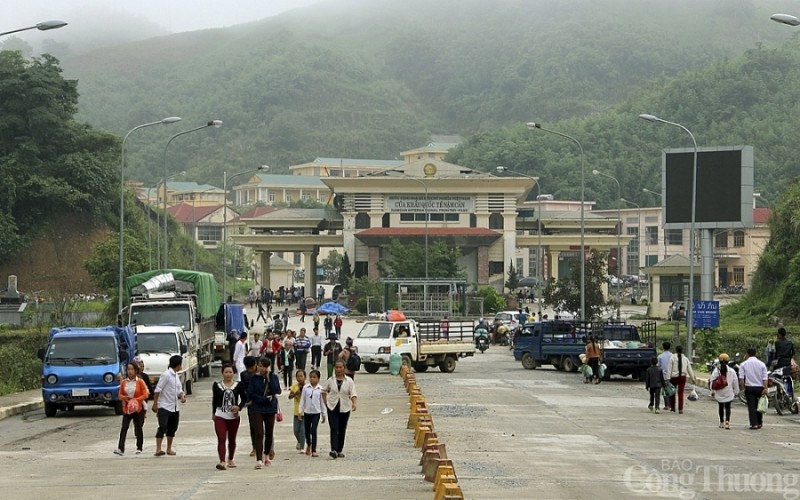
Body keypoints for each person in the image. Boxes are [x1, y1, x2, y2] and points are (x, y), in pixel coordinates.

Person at [246, 357, 282, 469]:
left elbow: (277, 390)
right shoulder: (254, 378)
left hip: (270, 408)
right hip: (257, 407)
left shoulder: (273, 377)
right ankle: (259, 459)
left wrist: (269, 377)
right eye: (260, 366)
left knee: (269, 433)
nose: (262, 368)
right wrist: (262, 399)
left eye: (264, 366)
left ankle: (266, 455)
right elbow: (250, 393)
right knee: (259, 433)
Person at [212, 363, 246, 470]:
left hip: (233, 416)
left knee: (232, 438)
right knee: (221, 438)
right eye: (226, 372)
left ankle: (230, 459)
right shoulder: (217, 385)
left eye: (230, 372)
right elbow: (214, 400)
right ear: (222, 373)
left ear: (233, 373)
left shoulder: (239, 385)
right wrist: (213, 413)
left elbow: (244, 398)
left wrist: (239, 407)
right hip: (220, 415)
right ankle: (222, 461)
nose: (228, 374)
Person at [322, 360, 358, 459]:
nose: (338, 369)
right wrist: (325, 402)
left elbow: (353, 393)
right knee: (334, 428)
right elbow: (323, 391)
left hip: (345, 407)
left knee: (342, 429)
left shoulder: (349, 381)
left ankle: (339, 450)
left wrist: (354, 403)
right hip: (332, 407)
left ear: (344, 368)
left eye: (340, 367)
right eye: (336, 367)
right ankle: (333, 449)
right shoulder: (330, 380)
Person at [152, 355, 186, 457]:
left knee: (172, 428)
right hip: (164, 406)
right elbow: (158, 390)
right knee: (162, 427)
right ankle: (158, 449)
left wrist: (182, 396)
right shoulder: (166, 375)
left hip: (174, 407)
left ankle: (169, 448)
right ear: (178, 365)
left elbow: (179, 389)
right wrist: (155, 404)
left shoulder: (176, 376)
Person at [114, 362, 149, 456]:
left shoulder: (140, 382)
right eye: (128, 369)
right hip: (127, 408)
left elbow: (145, 394)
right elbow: (120, 394)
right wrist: (125, 398)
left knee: (138, 427)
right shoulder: (124, 382)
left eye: (132, 369)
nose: (130, 371)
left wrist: (136, 400)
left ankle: (139, 447)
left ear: (136, 371)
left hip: (138, 408)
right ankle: (120, 448)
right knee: (124, 427)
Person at [739, 347, 769, 430]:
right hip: (760, 387)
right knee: (759, 405)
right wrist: (765, 388)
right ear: (755, 353)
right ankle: (759, 422)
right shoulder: (762, 364)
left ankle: (754, 424)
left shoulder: (743, 364)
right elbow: (765, 378)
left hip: (749, 387)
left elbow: (741, 378)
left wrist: (743, 388)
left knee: (751, 406)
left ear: (747, 354)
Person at [710, 353, 741, 430]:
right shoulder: (732, 371)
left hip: (719, 392)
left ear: (719, 361)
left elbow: (712, 381)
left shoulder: (716, 370)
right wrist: (736, 392)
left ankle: (721, 422)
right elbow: (735, 382)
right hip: (728, 392)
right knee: (728, 407)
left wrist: (712, 391)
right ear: (728, 361)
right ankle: (727, 422)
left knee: (720, 407)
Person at [299, 369, 325, 457]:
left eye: (314, 377)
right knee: (307, 430)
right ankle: (309, 444)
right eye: (311, 377)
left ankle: (314, 450)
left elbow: (322, 402)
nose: (312, 379)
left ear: (318, 378)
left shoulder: (320, 389)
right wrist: (300, 411)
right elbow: (302, 400)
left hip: (316, 412)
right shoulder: (306, 388)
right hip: (307, 412)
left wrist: (324, 414)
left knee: (313, 430)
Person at [238, 356, 258, 457]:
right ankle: (255, 447)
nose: (250, 371)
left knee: (265, 426)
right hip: (251, 403)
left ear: (255, 364)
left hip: (264, 403)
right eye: (248, 369)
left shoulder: (262, 372)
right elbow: (244, 389)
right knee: (253, 425)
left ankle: (267, 447)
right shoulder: (244, 375)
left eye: (252, 368)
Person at [668, 345, 696, 414]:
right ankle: (680, 409)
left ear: (676, 350)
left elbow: (669, 369)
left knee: (672, 392)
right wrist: (693, 378)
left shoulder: (672, 358)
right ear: (682, 350)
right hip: (682, 377)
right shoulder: (685, 359)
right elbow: (689, 369)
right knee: (681, 393)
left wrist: (667, 378)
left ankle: (673, 407)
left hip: (674, 377)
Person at [288, 369, 307, 453]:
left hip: (305, 412)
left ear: (305, 377)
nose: (300, 378)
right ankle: (299, 441)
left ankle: (302, 447)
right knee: (296, 430)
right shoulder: (294, 386)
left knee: (303, 430)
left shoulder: (308, 387)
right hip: (296, 412)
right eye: (298, 376)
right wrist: (296, 393)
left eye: (301, 376)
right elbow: (290, 396)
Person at [657, 342, 673, 411]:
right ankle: (671, 404)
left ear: (663, 347)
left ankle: (667, 405)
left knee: (664, 390)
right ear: (670, 347)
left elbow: (658, 366)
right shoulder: (672, 356)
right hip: (671, 374)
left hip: (663, 375)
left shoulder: (660, 356)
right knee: (671, 389)